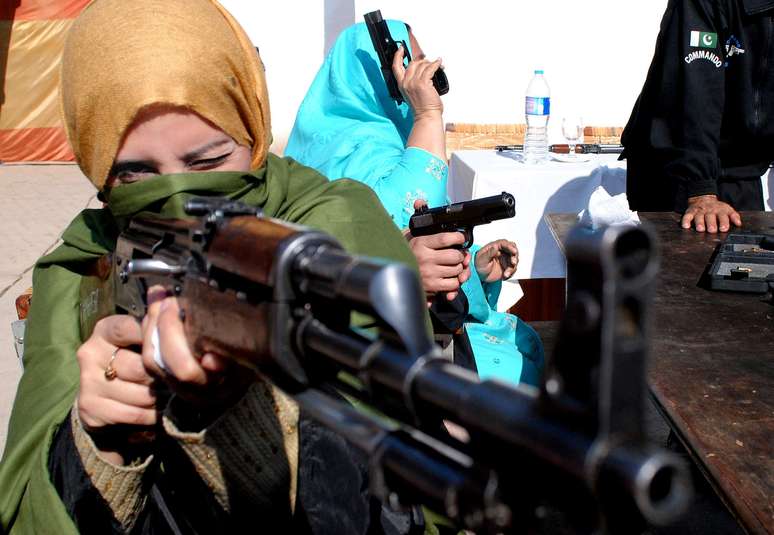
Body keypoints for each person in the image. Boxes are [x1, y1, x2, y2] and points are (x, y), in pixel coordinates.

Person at [0, 1, 426, 533]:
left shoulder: (334, 228)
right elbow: (25, 507)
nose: (181, 200)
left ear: (253, 130)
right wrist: (100, 444)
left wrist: (250, 412)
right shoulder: (81, 265)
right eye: (136, 176)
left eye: (208, 163)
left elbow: (402, 503)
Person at [285, 21, 544, 386]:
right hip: (380, 349)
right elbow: (413, 222)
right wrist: (427, 114)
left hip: (404, 332)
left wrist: (476, 266)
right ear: (385, 75)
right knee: (519, 369)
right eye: (416, 64)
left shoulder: (373, 138)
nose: (427, 74)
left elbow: (421, 245)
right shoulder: (358, 151)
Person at [621, 0, 773, 233]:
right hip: (678, 168)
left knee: (748, 250)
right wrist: (701, 190)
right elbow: (694, 94)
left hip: (742, 168)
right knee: (691, 250)